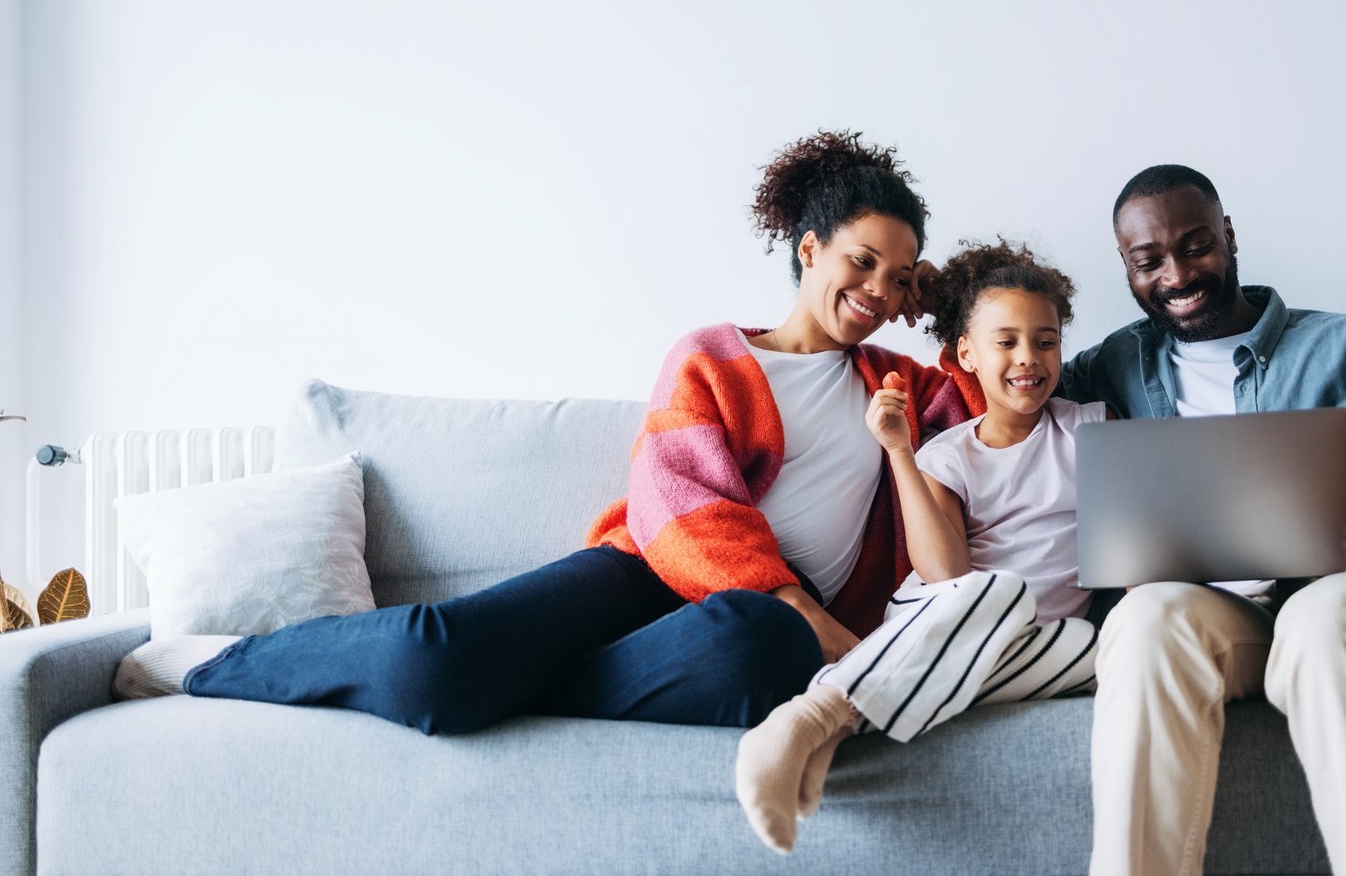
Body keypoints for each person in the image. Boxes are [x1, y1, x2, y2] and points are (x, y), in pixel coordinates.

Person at [113, 130, 970, 733]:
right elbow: (678, 504)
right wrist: (786, 597)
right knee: (434, 663)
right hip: (647, 579)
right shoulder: (712, 356)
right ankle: (210, 665)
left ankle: (507, 688)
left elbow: (994, 395)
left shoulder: (902, 385)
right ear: (810, 248)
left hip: (755, 627)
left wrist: (946, 304)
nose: (877, 290)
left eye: (898, 279)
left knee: (756, 648)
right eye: (862, 260)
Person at [1069, 165, 1346, 876]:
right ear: (1126, 267)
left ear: (1229, 236)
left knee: (1321, 617)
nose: (1176, 274)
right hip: (1223, 624)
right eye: (1148, 261)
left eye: (1196, 245)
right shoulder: (1107, 368)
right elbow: (998, 390)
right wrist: (948, 300)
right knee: (1141, 619)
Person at [734, 239, 1110, 854]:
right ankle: (809, 718)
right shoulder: (947, 453)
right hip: (945, 612)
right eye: (1006, 341)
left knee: (1107, 651)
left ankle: (843, 715)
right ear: (967, 353)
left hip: (1040, 638)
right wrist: (900, 451)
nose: (1029, 358)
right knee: (1002, 591)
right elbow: (944, 572)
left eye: (1046, 341)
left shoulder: (1090, 428)